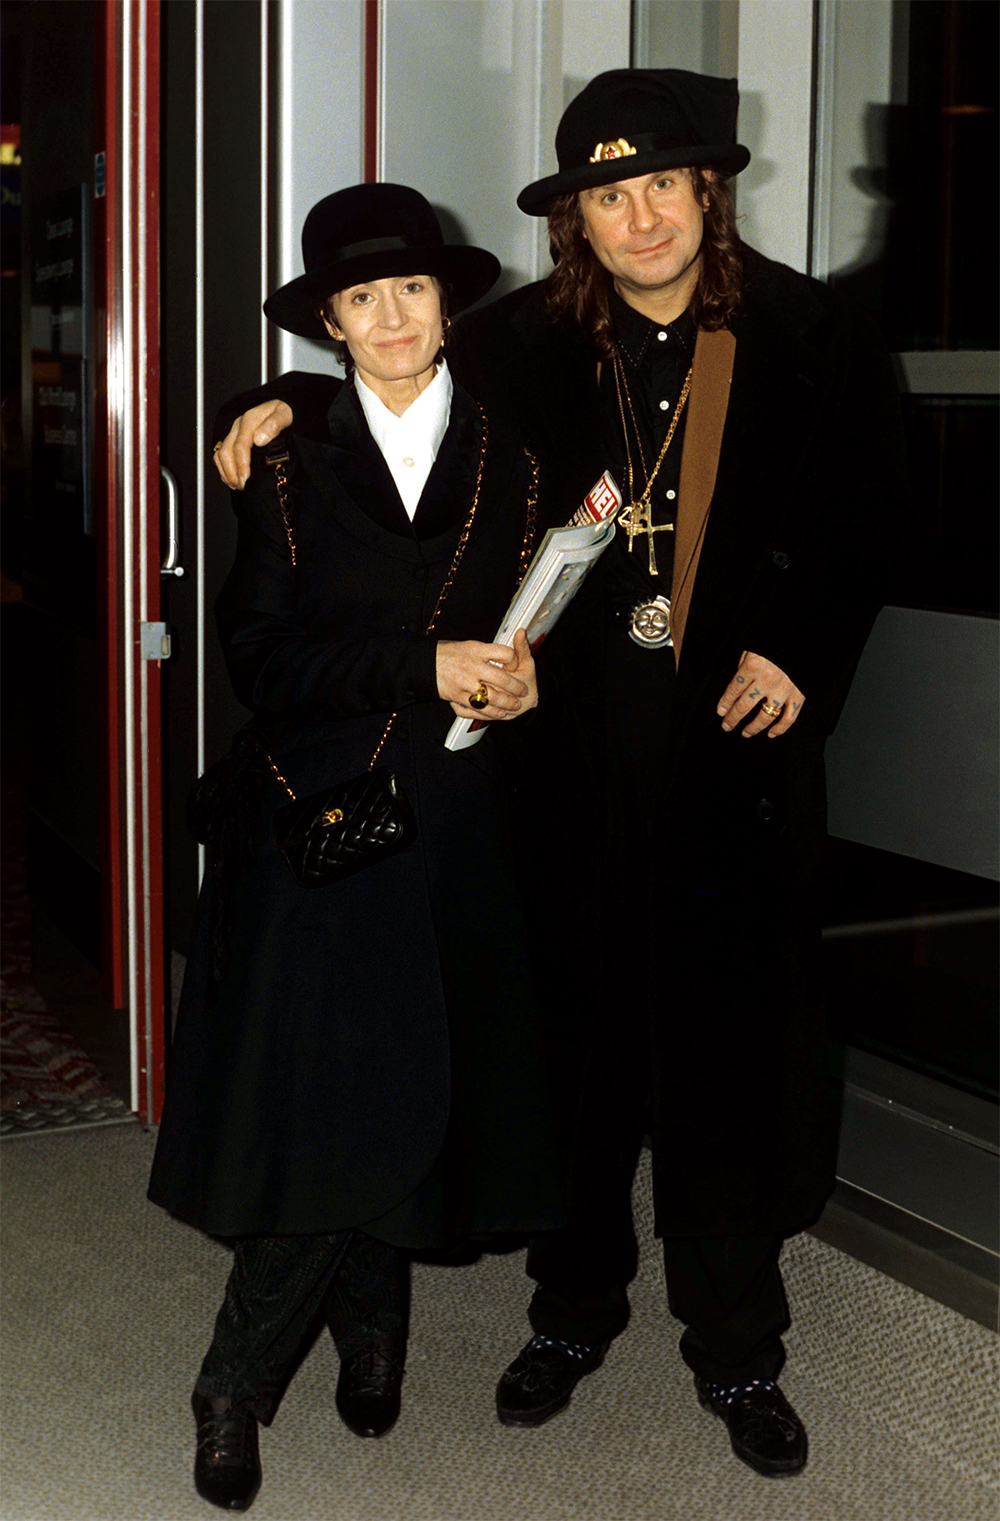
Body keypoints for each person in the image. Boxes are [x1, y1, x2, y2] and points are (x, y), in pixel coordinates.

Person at [212, 70, 907, 1480]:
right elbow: (384, 377)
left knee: (726, 1057)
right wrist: (266, 402)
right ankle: (573, 1314)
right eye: (607, 193)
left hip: (736, 760)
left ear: (710, 191)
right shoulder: (522, 344)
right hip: (567, 765)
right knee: (579, 1054)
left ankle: (737, 1342)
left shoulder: (814, 330)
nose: (639, 215)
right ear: (572, 219)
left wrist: (801, 648)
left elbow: (869, 513)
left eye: (662, 184)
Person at [148, 182, 566, 1513]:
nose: (392, 316)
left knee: (411, 1069)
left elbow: (530, 613)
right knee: (328, 1093)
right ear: (329, 321)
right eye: (362, 296)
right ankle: (234, 1381)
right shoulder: (281, 450)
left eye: (413, 291)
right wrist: (420, 663)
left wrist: (519, 675)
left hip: (454, 817)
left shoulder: (515, 452)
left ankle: (374, 1331)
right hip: (313, 813)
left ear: (449, 308)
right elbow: (259, 657)